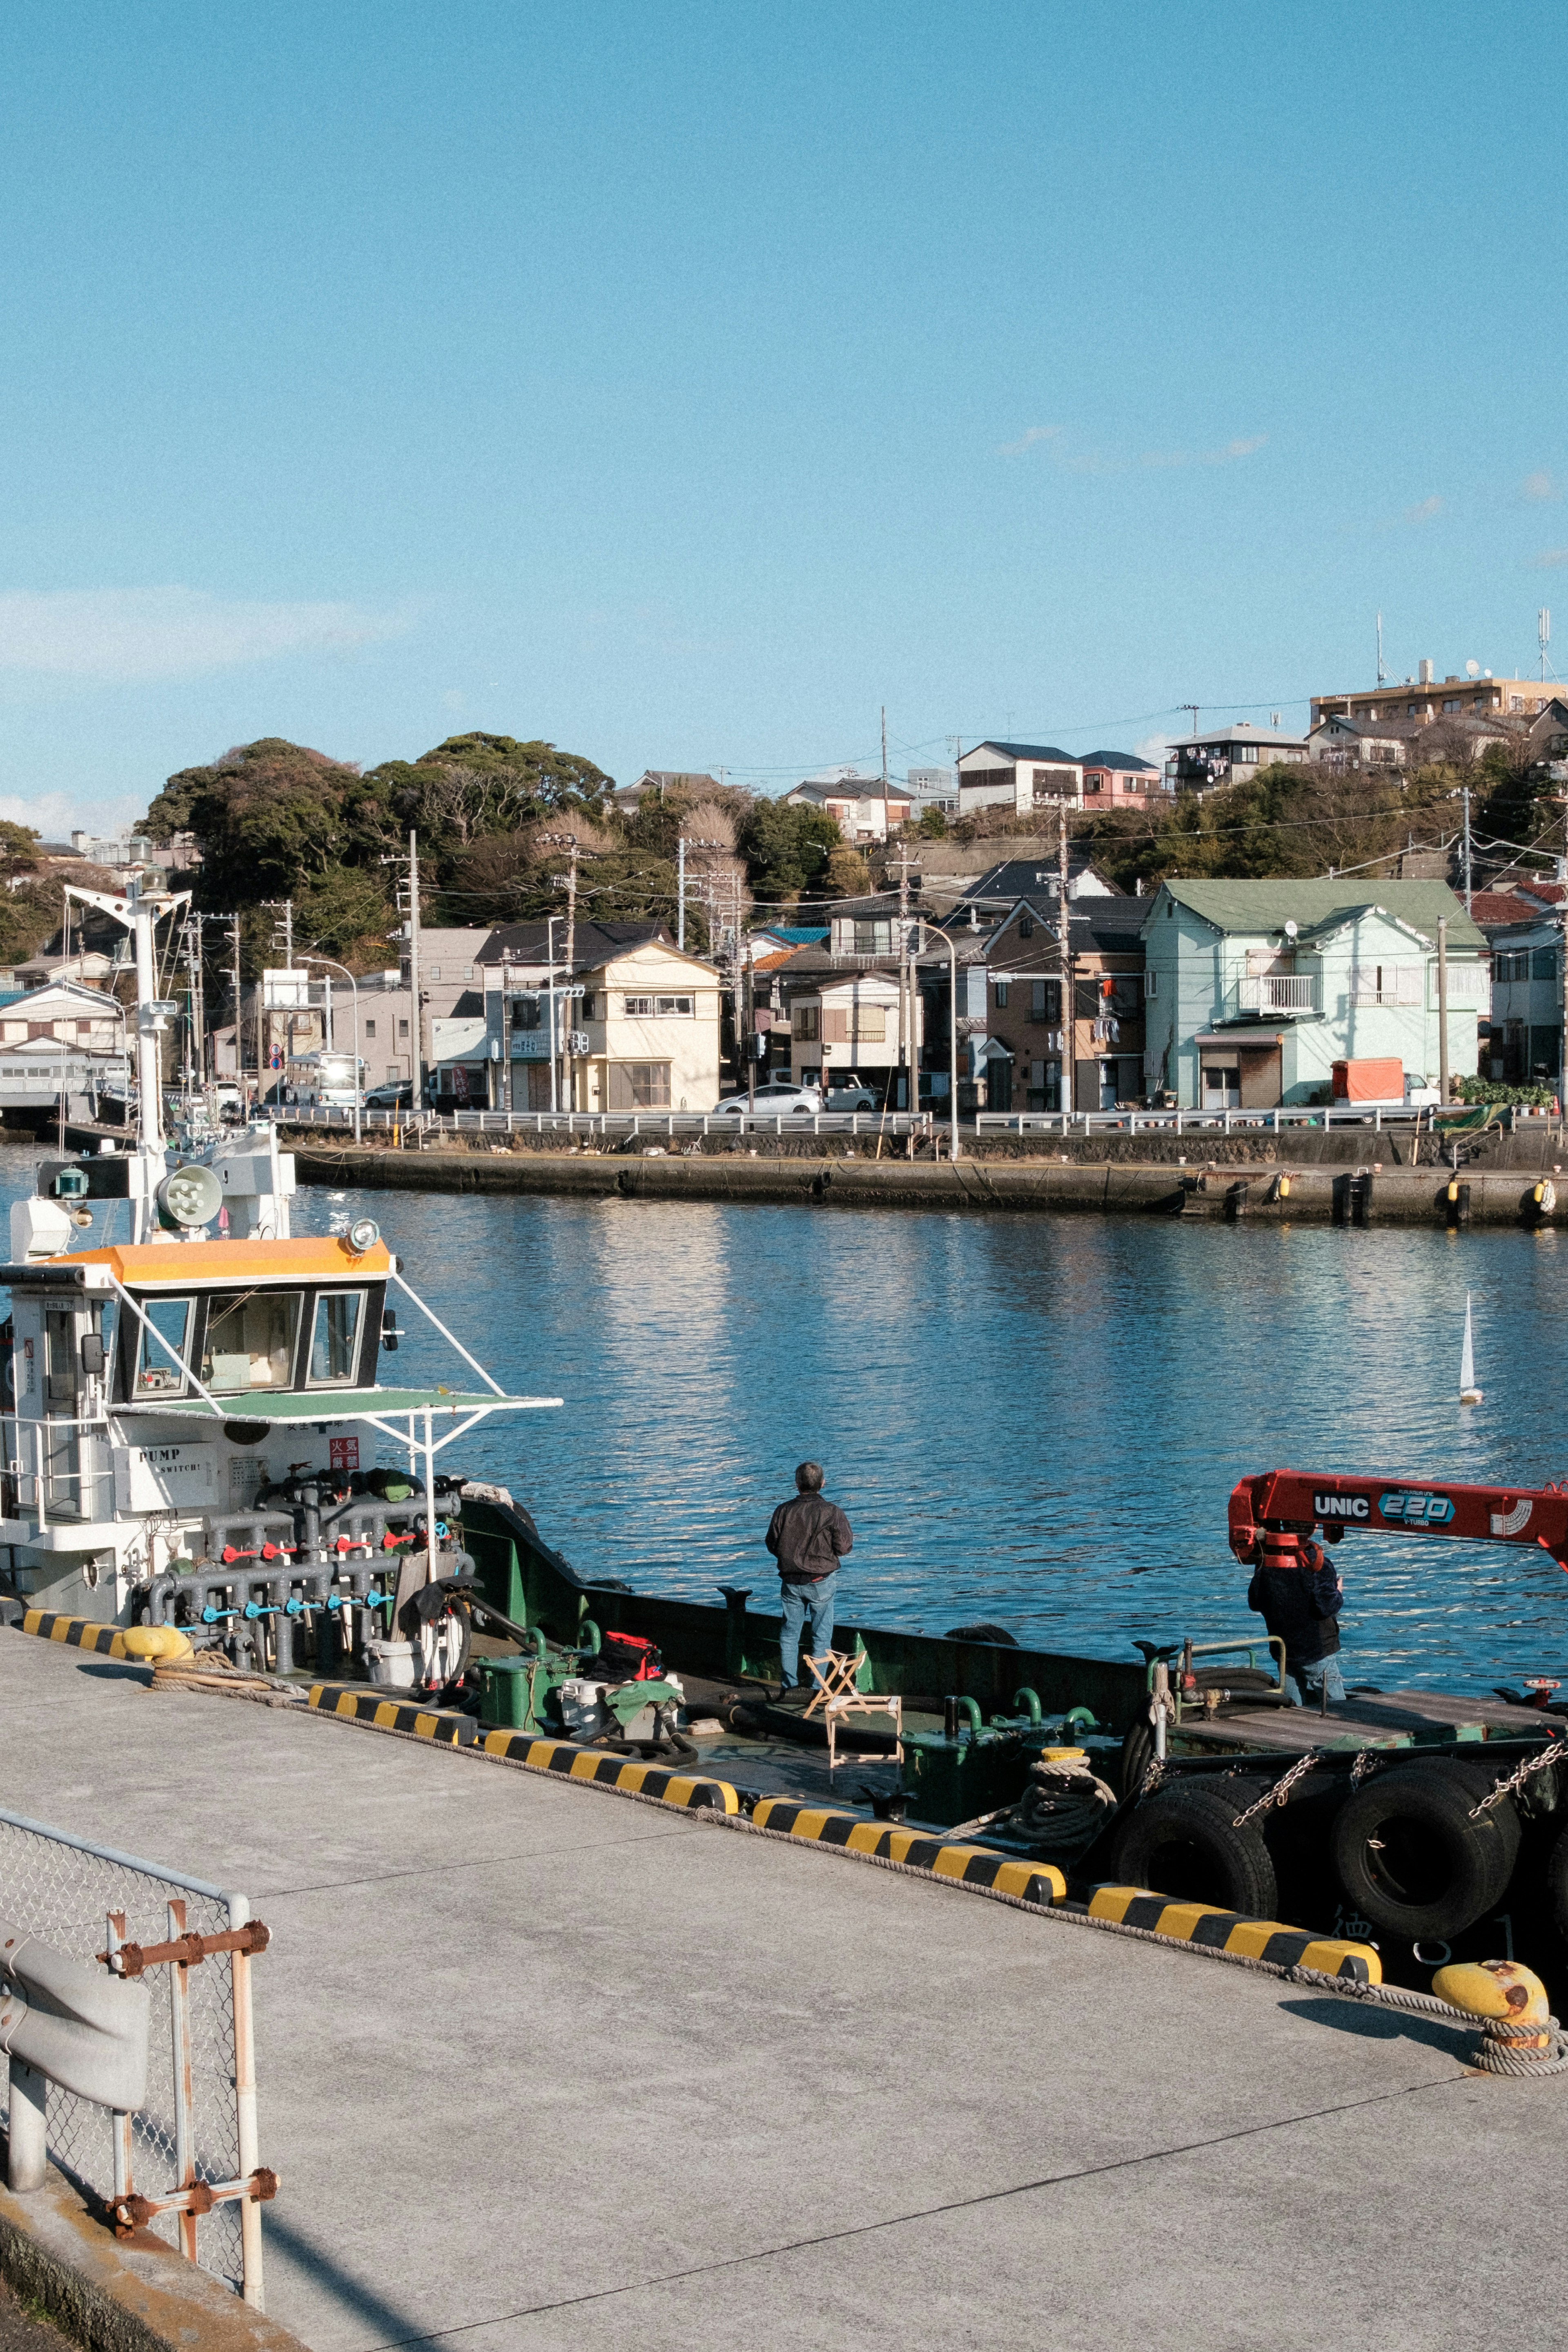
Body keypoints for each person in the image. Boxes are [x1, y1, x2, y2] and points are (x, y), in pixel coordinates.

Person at [766, 1461, 853, 1693]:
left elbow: (772, 1544)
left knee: (789, 1635)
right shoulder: (833, 1512)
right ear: (823, 1484)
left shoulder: (783, 1511)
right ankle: (817, 1689)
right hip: (821, 1581)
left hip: (791, 1582)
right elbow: (844, 1547)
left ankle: (789, 1687)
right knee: (821, 1637)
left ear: (797, 1485)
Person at [1245, 1518, 1346, 1706]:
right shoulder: (1318, 1563)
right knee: (1339, 1709)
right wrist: (1338, 1592)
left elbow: (1255, 1602)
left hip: (1284, 1650)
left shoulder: (1269, 1562)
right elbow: (1327, 1607)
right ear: (1315, 1527)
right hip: (1317, 1649)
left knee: (1292, 1709)